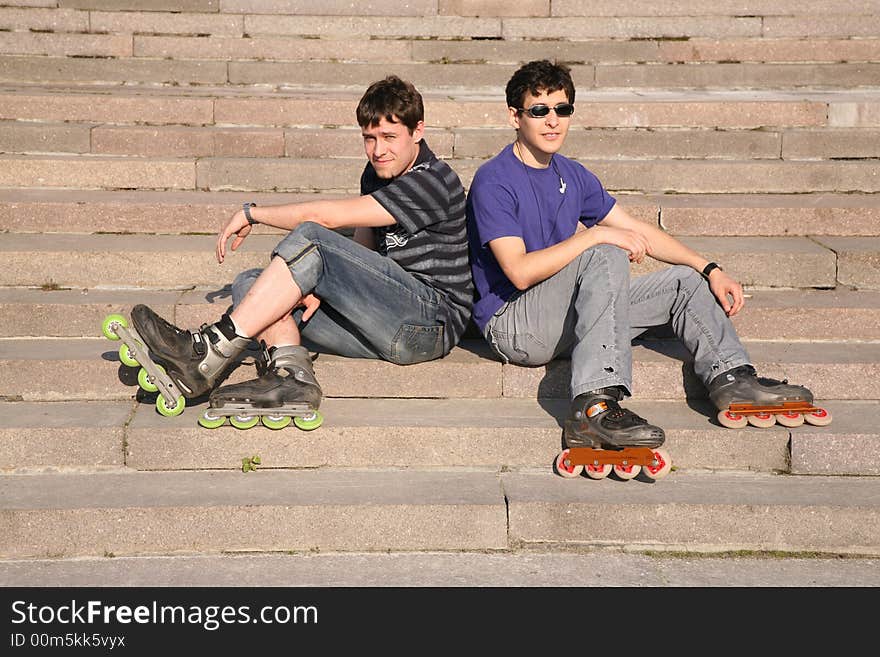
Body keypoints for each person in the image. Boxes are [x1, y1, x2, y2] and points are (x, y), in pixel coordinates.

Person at [466, 60, 823, 453]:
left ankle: (731, 379)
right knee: (604, 250)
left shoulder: (572, 174)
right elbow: (518, 272)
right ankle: (594, 406)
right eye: (539, 110)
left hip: (560, 316)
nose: (553, 121)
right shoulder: (494, 179)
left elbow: (639, 232)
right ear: (515, 117)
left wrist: (710, 267)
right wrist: (597, 236)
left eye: (562, 109)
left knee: (685, 283)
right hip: (515, 324)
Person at [128, 75, 473, 424]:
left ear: (418, 132)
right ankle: (291, 378)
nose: (378, 150)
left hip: (429, 324)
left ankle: (208, 350)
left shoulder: (433, 180)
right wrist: (325, 286)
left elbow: (321, 219)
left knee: (313, 236)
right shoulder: (376, 174)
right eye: (369, 138)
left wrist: (252, 213)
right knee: (252, 284)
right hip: (386, 319)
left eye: (389, 137)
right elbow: (364, 251)